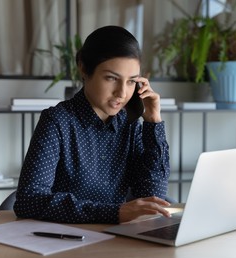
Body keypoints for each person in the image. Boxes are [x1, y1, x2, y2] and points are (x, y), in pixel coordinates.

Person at [13, 25, 171, 224]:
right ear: (84, 68)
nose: (122, 93)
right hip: (64, 240)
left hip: (117, 240)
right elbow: (29, 201)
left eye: (131, 81)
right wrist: (115, 213)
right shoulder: (57, 121)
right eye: (112, 78)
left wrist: (153, 120)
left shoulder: (130, 125)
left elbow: (152, 195)